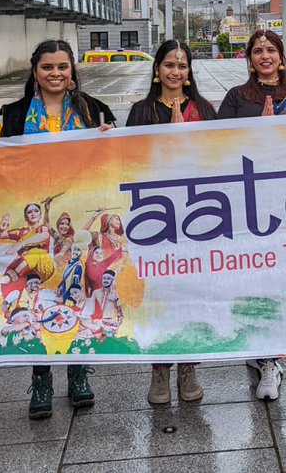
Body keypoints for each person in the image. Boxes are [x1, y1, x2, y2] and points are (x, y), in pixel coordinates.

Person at [0, 39, 115, 419]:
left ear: (72, 70)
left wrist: (109, 137)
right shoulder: (13, 113)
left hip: (74, 217)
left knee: (76, 286)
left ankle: (79, 371)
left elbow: (117, 155)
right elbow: (2, 165)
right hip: (36, 219)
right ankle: (42, 377)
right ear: (35, 71)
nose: (55, 74)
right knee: (39, 290)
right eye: (47, 67)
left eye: (62, 67)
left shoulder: (94, 110)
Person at [217, 28, 286, 399]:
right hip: (248, 200)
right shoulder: (236, 97)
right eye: (257, 51)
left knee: (283, 273)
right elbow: (218, 144)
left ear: (281, 57)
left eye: (270, 49)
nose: (264, 56)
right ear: (250, 59)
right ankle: (264, 354)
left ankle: (275, 353)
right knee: (254, 273)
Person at [126, 39, 218, 405]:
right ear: (157, 70)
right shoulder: (141, 111)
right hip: (155, 218)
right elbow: (131, 160)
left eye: (182, 66)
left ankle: (188, 367)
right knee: (160, 295)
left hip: (198, 217)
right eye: (169, 65)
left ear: (189, 72)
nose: (175, 72)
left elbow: (218, 159)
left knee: (193, 293)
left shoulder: (205, 109)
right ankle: (160, 371)